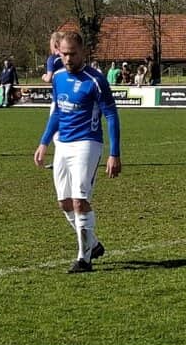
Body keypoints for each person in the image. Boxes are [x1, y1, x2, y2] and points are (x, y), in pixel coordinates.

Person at [34, 31, 122, 273]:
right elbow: (58, 114)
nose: (68, 59)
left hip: (87, 143)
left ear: (83, 52)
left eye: (73, 54)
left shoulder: (95, 80)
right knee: (64, 203)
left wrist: (114, 154)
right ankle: (93, 244)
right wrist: (44, 143)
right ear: (58, 52)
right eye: (64, 54)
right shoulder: (59, 77)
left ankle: (84, 259)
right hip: (62, 144)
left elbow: (112, 116)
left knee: (79, 200)